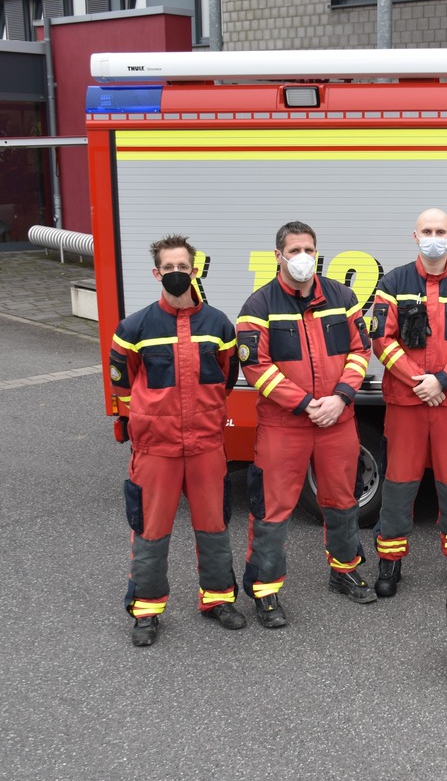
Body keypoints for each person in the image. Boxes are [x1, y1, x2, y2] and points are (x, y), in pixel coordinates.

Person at [236, 220, 375, 628]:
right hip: (284, 424)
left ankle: (344, 569)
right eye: (294, 250)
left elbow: (359, 350)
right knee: (271, 509)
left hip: (337, 417)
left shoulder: (343, 296)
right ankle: (265, 591)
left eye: (309, 249)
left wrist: (339, 398)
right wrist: (304, 403)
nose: (302, 258)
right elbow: (254, 366)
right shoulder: (258, 306)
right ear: (278, 255)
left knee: (342, 500)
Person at [109, 235, 244, 647]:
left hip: (205, 446)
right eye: (168, 268)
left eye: (182, 267)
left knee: (214, 527)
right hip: (157, 450)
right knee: (150, 531)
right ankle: (147, 610)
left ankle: (218, 600)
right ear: (156, 273)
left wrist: (203, 415)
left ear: (195, 270)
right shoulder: (134, 328)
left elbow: (227, 378)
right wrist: (148, 422)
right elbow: (122, 384)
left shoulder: (219, 324)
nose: (175, 274)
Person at [369, 208, 447, 593]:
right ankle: (390, 563)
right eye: (427, 230)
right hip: (406, 402)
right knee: (398, 484)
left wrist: (441, 380)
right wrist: (416, 379)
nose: (433, 236)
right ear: (414, 235)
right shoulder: (392, 283)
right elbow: (380, 339)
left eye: (440, 231)